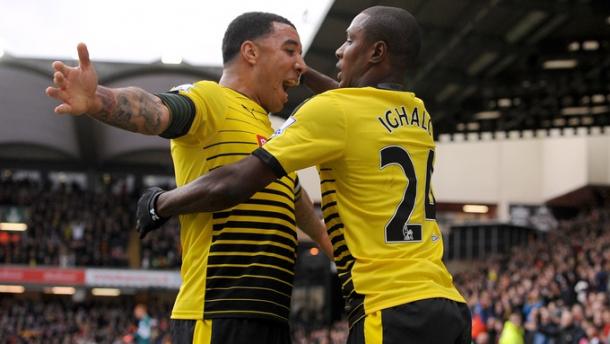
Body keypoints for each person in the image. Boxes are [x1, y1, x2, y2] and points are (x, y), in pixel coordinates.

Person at [137, 6, 471, 343]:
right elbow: (355, 104)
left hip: (391, 309)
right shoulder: (419, 113)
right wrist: (307, 73)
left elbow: (235, 182)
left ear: (376, 52)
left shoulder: (332, 112)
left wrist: (159, 204)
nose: (340, 50)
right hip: (448, 303)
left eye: (350, 40)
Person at [46, 12, 333, 344]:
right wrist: (99, 101)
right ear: (251, 53)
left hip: (272, 319)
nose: (301, 65)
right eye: (290, 51)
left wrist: (349, 257)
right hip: (217, 317)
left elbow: (302, 208)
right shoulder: (212, 99)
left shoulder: (273, 136)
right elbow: (158, 110)